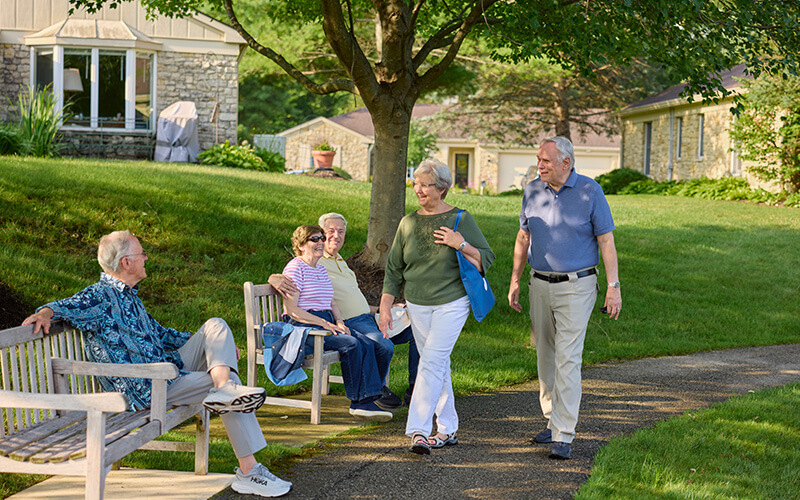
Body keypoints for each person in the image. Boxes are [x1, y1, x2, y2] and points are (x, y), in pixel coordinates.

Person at [21, 230, 291, 498]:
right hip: (147, 387)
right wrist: (44, 312)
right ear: (126, 262)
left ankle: (226, 388)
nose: (146, 258)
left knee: (216, 326)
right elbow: (63, 306)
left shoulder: (129, 297)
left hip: (167, 370)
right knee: (221, 386)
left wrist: (213, 344)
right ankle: (248, 470)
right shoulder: (100, 297)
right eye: (142, 253)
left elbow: (162, 335)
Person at [508, 136, 622, 460]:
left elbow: (606, 240)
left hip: (577, 285)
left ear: (565, 163)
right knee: (545, 354)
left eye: (545, 161)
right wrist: (515, 279)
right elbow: (523, 236)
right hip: (539, 283)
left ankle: (564, 433)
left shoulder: (590, 191)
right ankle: (551, 417)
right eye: (539, 160)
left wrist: (613, 286)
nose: (540, 165)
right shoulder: (531, 190)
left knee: (568, 358)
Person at [379, 158, 495, 455]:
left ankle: (418, 430)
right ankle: (447, 429)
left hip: (452, 302)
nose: (418, 189)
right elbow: (394, 269)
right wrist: (384, 307)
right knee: (438, 363)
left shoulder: (461, 218)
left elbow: (487, 259)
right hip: (417, 304)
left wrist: (461, 244)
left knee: (429, 362)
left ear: (442, 188)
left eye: (424, 185)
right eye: (415, 183)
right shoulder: (408, 223)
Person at [269, 213, 420, 409]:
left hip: (367, 317)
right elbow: (291, 274)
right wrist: (274, 277)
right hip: (350, 322)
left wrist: (385, 308)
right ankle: (375, 389)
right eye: (329, 232)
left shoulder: (339, 261)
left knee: (418, 330)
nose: (335, 236)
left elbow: (349, 299)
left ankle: (416, 389)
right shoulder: (315, 260)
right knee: (382, 344)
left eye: (340, 231)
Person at [280, 224, 393, 421]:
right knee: (352, 344)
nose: (320, 243)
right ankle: (360, 402)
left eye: (321, 239)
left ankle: (369, 400)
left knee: (366, 342)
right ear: (300, 245)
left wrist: (339, 321)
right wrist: (324, 324)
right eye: (314, 239)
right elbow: (293, 311)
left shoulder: (320, 269)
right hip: (305, 328)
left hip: (328, 322)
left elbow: (331, 302)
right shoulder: (295, 267)